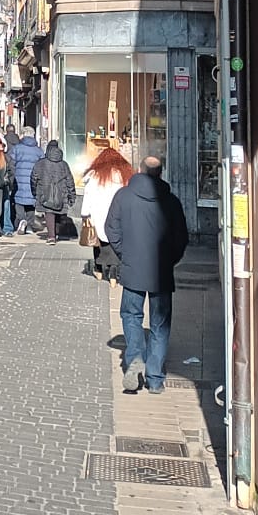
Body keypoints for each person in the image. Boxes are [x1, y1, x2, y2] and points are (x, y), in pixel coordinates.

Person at [106, 152, 190, 394]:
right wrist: (170, 259)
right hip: (161, 272)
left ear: (139, 171)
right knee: (160, 324)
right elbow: (181, 238)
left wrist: (125, 254)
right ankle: (155, 378)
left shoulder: (123, 196)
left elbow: (111, 228)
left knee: (131, 316)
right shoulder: (171, 201)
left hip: (133, 269)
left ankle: (134, 359)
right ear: (160, 173)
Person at [80, 145, 133, 282]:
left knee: (97, 242)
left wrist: (85, 214)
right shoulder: (123, 175)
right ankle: (114, 273)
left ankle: (98, 269)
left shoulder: (95, 175)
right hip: (116, 214)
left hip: (97, 214)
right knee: (115, 241)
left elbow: (88, 195)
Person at [32, 139, 76, 244]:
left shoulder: (40, 163)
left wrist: (34, 191)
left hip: (44, 192)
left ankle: (51, 236)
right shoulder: (64, 165)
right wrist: (72, 195)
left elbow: (34, 178)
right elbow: (70, 180)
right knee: (58, 212)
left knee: (49, 213)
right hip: (61, 193)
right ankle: (55, 233)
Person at [8, 127, 43, 234]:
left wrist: (11, 177)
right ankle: (29, 225)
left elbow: (11, 164)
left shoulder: (17, 148)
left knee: (18, 201)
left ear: (23, 135)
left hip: (19, 179)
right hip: (33, 181)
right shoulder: (39, 150)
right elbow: (42, 165)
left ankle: (21, 220)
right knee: (31, 202)